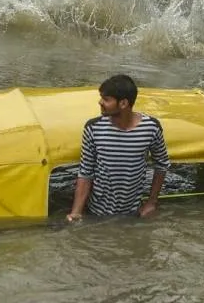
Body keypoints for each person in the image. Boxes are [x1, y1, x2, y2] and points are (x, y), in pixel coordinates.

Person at [67, 74, 171, 222]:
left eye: (106, 99)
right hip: (96, 212)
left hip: (133, 213)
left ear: (123, 103)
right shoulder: (93, 128)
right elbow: (85, 172)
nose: (100, 102)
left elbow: (162, 164)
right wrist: (76, 212)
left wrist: (151, 202)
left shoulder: (151, 128)